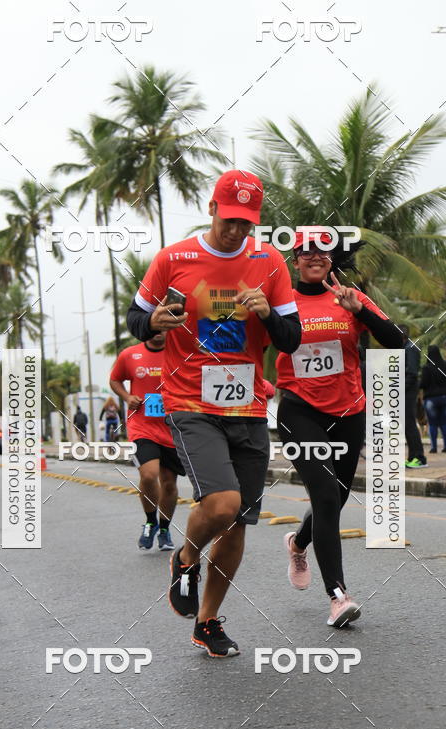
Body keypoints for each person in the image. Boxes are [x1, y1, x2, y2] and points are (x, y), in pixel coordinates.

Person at [127, 169, 301, 657]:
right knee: (222, 504)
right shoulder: (173, 258)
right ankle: (186, 558)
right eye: (229, 220)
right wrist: (152, 321)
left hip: (248, 405)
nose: (236, 231)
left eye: (246, 223)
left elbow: (291, 340)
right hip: (190, 403)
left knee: (237, 521)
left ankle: (206, 622)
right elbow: (136, 318)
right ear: (211, 209)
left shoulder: (269, 262)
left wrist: (267, 313)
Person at [276, 230, 404, 628]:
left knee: (337, 497)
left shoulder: (350, 297)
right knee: (327, 497)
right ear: (296, 260)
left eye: (323, 252)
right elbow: (250, 347)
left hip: (348, 413)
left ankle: (298, 543)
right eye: (306, 252)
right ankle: (338, 596)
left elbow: (397, 342)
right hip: (299, 412)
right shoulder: (283, 303)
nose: (315, 257)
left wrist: (360, 311)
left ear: (331, 259)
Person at [109, 334, 186, 551]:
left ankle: (164, 529)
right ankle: (151, 521)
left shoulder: (179, 352)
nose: (160, 331)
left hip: (172, 427)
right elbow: (115, 379)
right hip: (142, 426)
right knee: (149, 475)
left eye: (164, 327)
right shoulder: (130, 355)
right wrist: (127, 397)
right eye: (155, 326)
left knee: (169, 483)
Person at [419, 346, 446, 453]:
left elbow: (423, 383)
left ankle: (434, 448)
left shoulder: (427, 368)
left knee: (433, 423)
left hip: (431, 399)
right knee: (444, 423)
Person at [401, 324, 427, 468]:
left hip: (409, 390)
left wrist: (400, 389)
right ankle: (412, 456)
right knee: (407, 425)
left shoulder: (410, 348)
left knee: (410, 424)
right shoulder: (406, 347)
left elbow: (411, 373)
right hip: (406, 389)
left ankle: (419, 457)